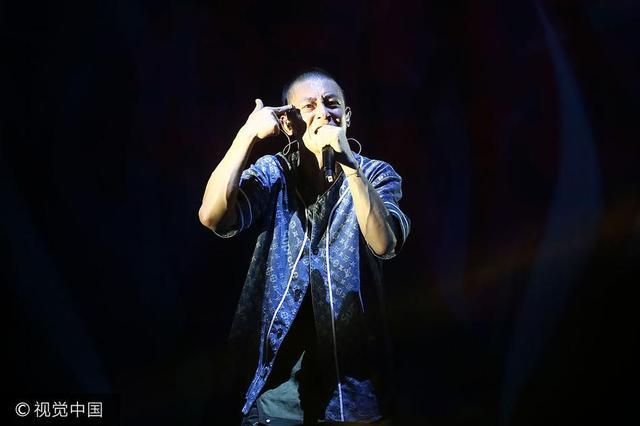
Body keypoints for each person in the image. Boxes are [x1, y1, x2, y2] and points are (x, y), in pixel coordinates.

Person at [198, 69, 410, 425]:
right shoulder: (275, 173)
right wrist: (246, 135)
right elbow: (212, 216)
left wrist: (349, 164)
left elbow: (384, 243)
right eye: (309, 106)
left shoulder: (375, 174)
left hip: (353, 394)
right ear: (288, 123)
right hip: (279, 395)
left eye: (332, 104)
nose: (324, 114)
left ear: (347, 116)